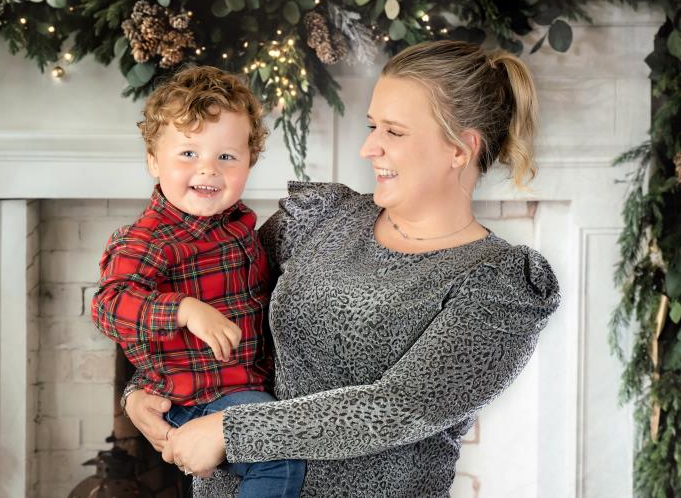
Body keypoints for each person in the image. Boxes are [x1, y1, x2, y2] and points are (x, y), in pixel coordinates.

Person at [123, 41, 562, 497]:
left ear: (460, 149)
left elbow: (400, 408)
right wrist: (143, 389)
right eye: (373, 126)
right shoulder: (323, 217)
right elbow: (221, 300)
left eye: (394, 131)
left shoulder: (498, 284)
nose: (368, 147)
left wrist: (230, 432)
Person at [91, 65, 306, 497]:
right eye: (188, 154)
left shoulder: (242, 228)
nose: (208, 170)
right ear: (154, 160)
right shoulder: (146, 240)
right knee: (277, 452)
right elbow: (109, 306)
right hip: (196, 398)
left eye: (226, 156)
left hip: (244, 388)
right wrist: (183, 310)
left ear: (250, 162)